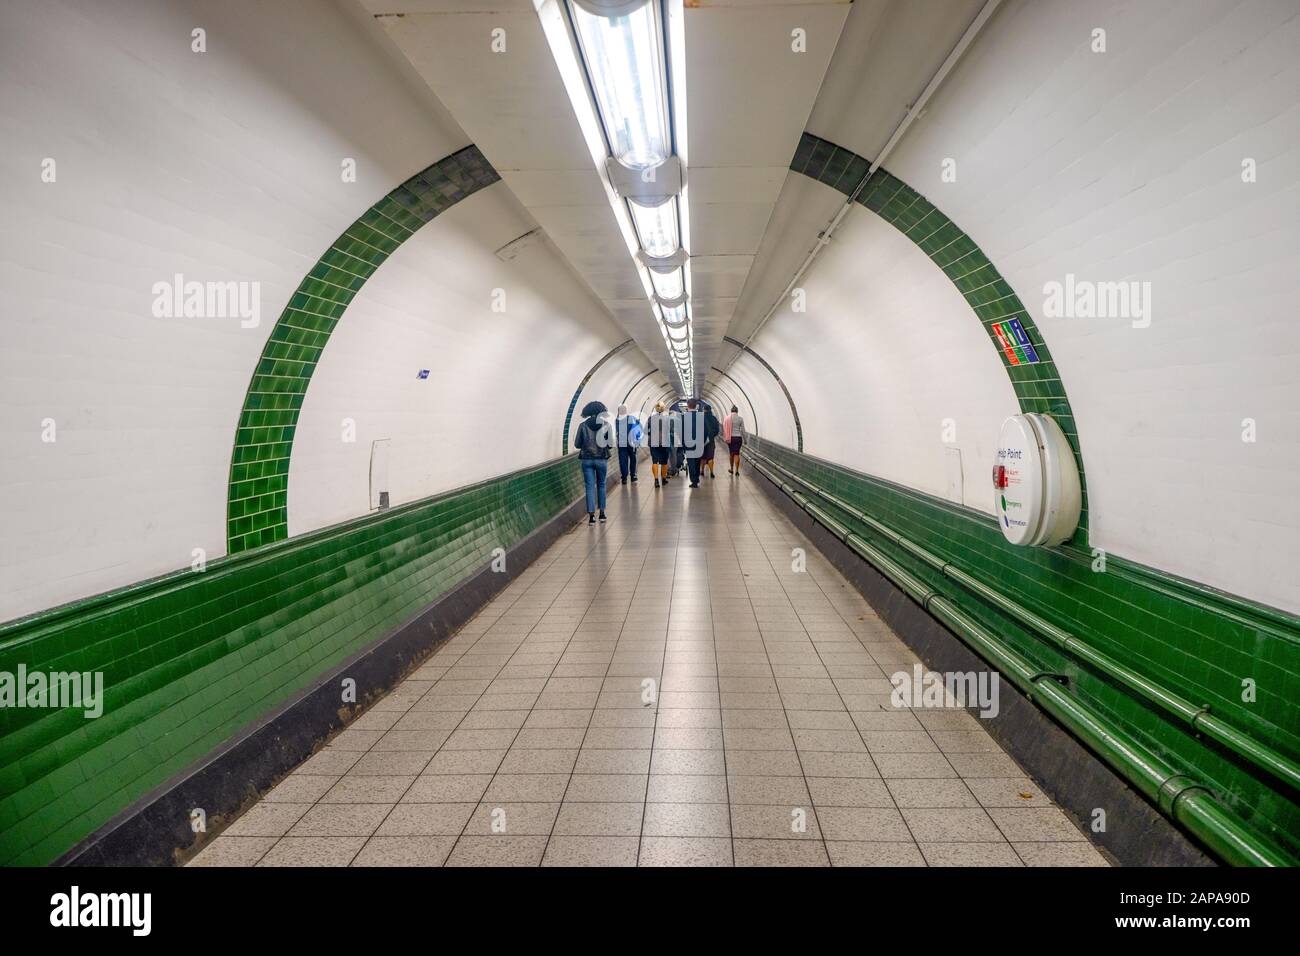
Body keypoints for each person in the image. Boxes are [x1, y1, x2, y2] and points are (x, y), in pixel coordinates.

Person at [573, 406, 612, 523]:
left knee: (589, 487)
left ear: (588, 412)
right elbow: (610, 444)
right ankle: (602, 514)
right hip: (601, 459)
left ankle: (591, 517)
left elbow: (577, 444)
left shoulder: (583, 425)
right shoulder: (606, 425)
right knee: (601, 485)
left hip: (587, 459)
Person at [681, 398, 707, 488]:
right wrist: (702, 441)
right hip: (699, 442)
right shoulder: (701, 416)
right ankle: (696, 478)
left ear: (687, 406)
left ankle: (694, 481)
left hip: (688, 443)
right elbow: (705, 430)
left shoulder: (684, 417)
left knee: (691, 461)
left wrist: (683, 444)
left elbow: (681, 431)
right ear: (696, 406)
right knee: (697, 461)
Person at [645, 402, 672, 488]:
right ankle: (663, 479)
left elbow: (645, 431)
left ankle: (656, 480)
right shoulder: (667, 419)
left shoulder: (650, 418)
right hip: (664, 442)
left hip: (653, 442)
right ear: (663, 409)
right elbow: (670, 430)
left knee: (655, 461)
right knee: (664, 462)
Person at [614, 404, 642, 485]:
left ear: (619, 411)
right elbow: (638, 429)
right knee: (633, 460)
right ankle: (633, 476)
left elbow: (617, 431)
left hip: (622, 444)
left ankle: (624, 478)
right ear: (626, 411)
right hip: (632, 443)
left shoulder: (617, 420)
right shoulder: (632, 418)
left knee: (623, 461)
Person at [723, 405, 745, 476]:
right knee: (737, 454)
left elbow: (724, 428)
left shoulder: (727, 418)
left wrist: (725, 437)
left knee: (731, 453)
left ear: (731, 411)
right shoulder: (740, 419)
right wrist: (745, 440)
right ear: (737, 411)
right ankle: (737, 471)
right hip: (738, 438)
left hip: (730, 438)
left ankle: (732, 469)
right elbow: (743, 430)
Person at [701, 402, 721, 480]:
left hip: (702, 441)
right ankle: (712, 472)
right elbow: (717, 430)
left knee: (702, 457)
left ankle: (702, 471)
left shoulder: (701, 418)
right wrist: (712, 436)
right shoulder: (714, 418)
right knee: (710, 457)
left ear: (704, 410)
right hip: (711, 441)